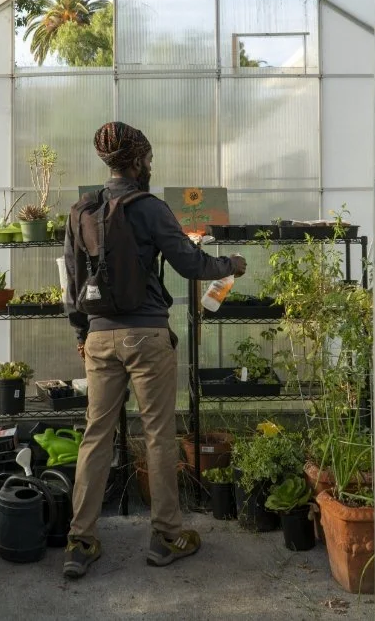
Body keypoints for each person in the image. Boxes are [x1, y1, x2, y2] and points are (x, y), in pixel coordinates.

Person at [63, 121, 247, 578]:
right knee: (160, 435)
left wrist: (82, 336)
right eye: (149, 158)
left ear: (107, 163)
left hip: (101, 337)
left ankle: (80, 542)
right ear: (140, 160)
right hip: (147, 336)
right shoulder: (150, 207)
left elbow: (71, 285)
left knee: (95, 437)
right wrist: (232, 265)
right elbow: (191, 264)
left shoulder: (80, 211)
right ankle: (166, 537)